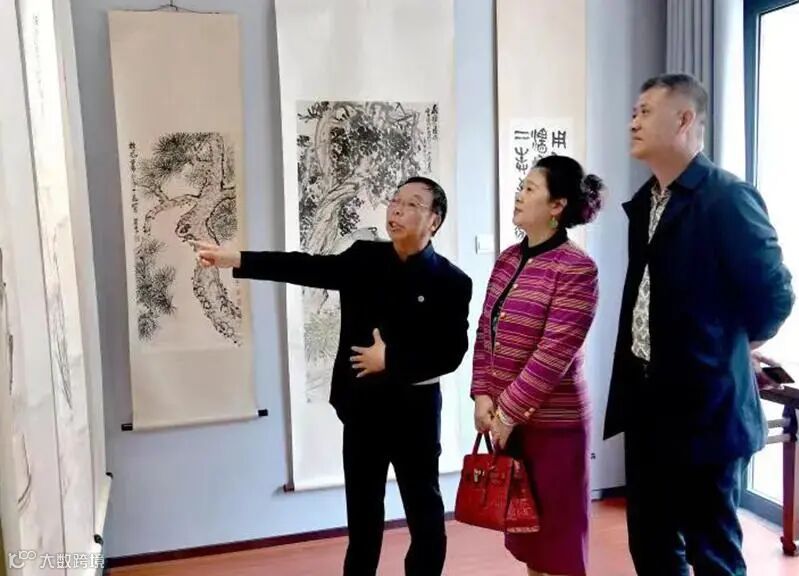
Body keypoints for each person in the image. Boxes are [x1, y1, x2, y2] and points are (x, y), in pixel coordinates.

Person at [193, 176, 472, 576]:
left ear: (435, 220)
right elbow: (306, 267)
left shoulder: (451, 281)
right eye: (395, 200)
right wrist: (237, 258)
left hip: (416, 414)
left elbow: (451, 352)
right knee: (362, 519)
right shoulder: (365, 259)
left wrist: (390, 359)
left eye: (412, 204)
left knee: (425, 514)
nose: (396, 209)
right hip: (364, 411)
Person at [603, 73, 795, 576]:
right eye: (634, 112)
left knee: (713, 553)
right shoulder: (647, 199)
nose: (633, 122)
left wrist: (730, 345)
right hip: (647, 404)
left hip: (705, 409)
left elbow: (774, 295)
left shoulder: (727, 197)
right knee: (652, 547)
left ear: (684, 119)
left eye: (645, 112)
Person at [471, 155, 603, 576]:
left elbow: (554, 353)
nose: (519, 195)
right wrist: (482, 394)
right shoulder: (508, 259)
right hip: (510, 426)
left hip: (556, 429)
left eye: (530, 189)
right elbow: (486, 330)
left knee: (557, 545)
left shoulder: (577, 268)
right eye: (521, 187)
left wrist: (507, 412)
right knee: (529, 538)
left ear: (557, 205)